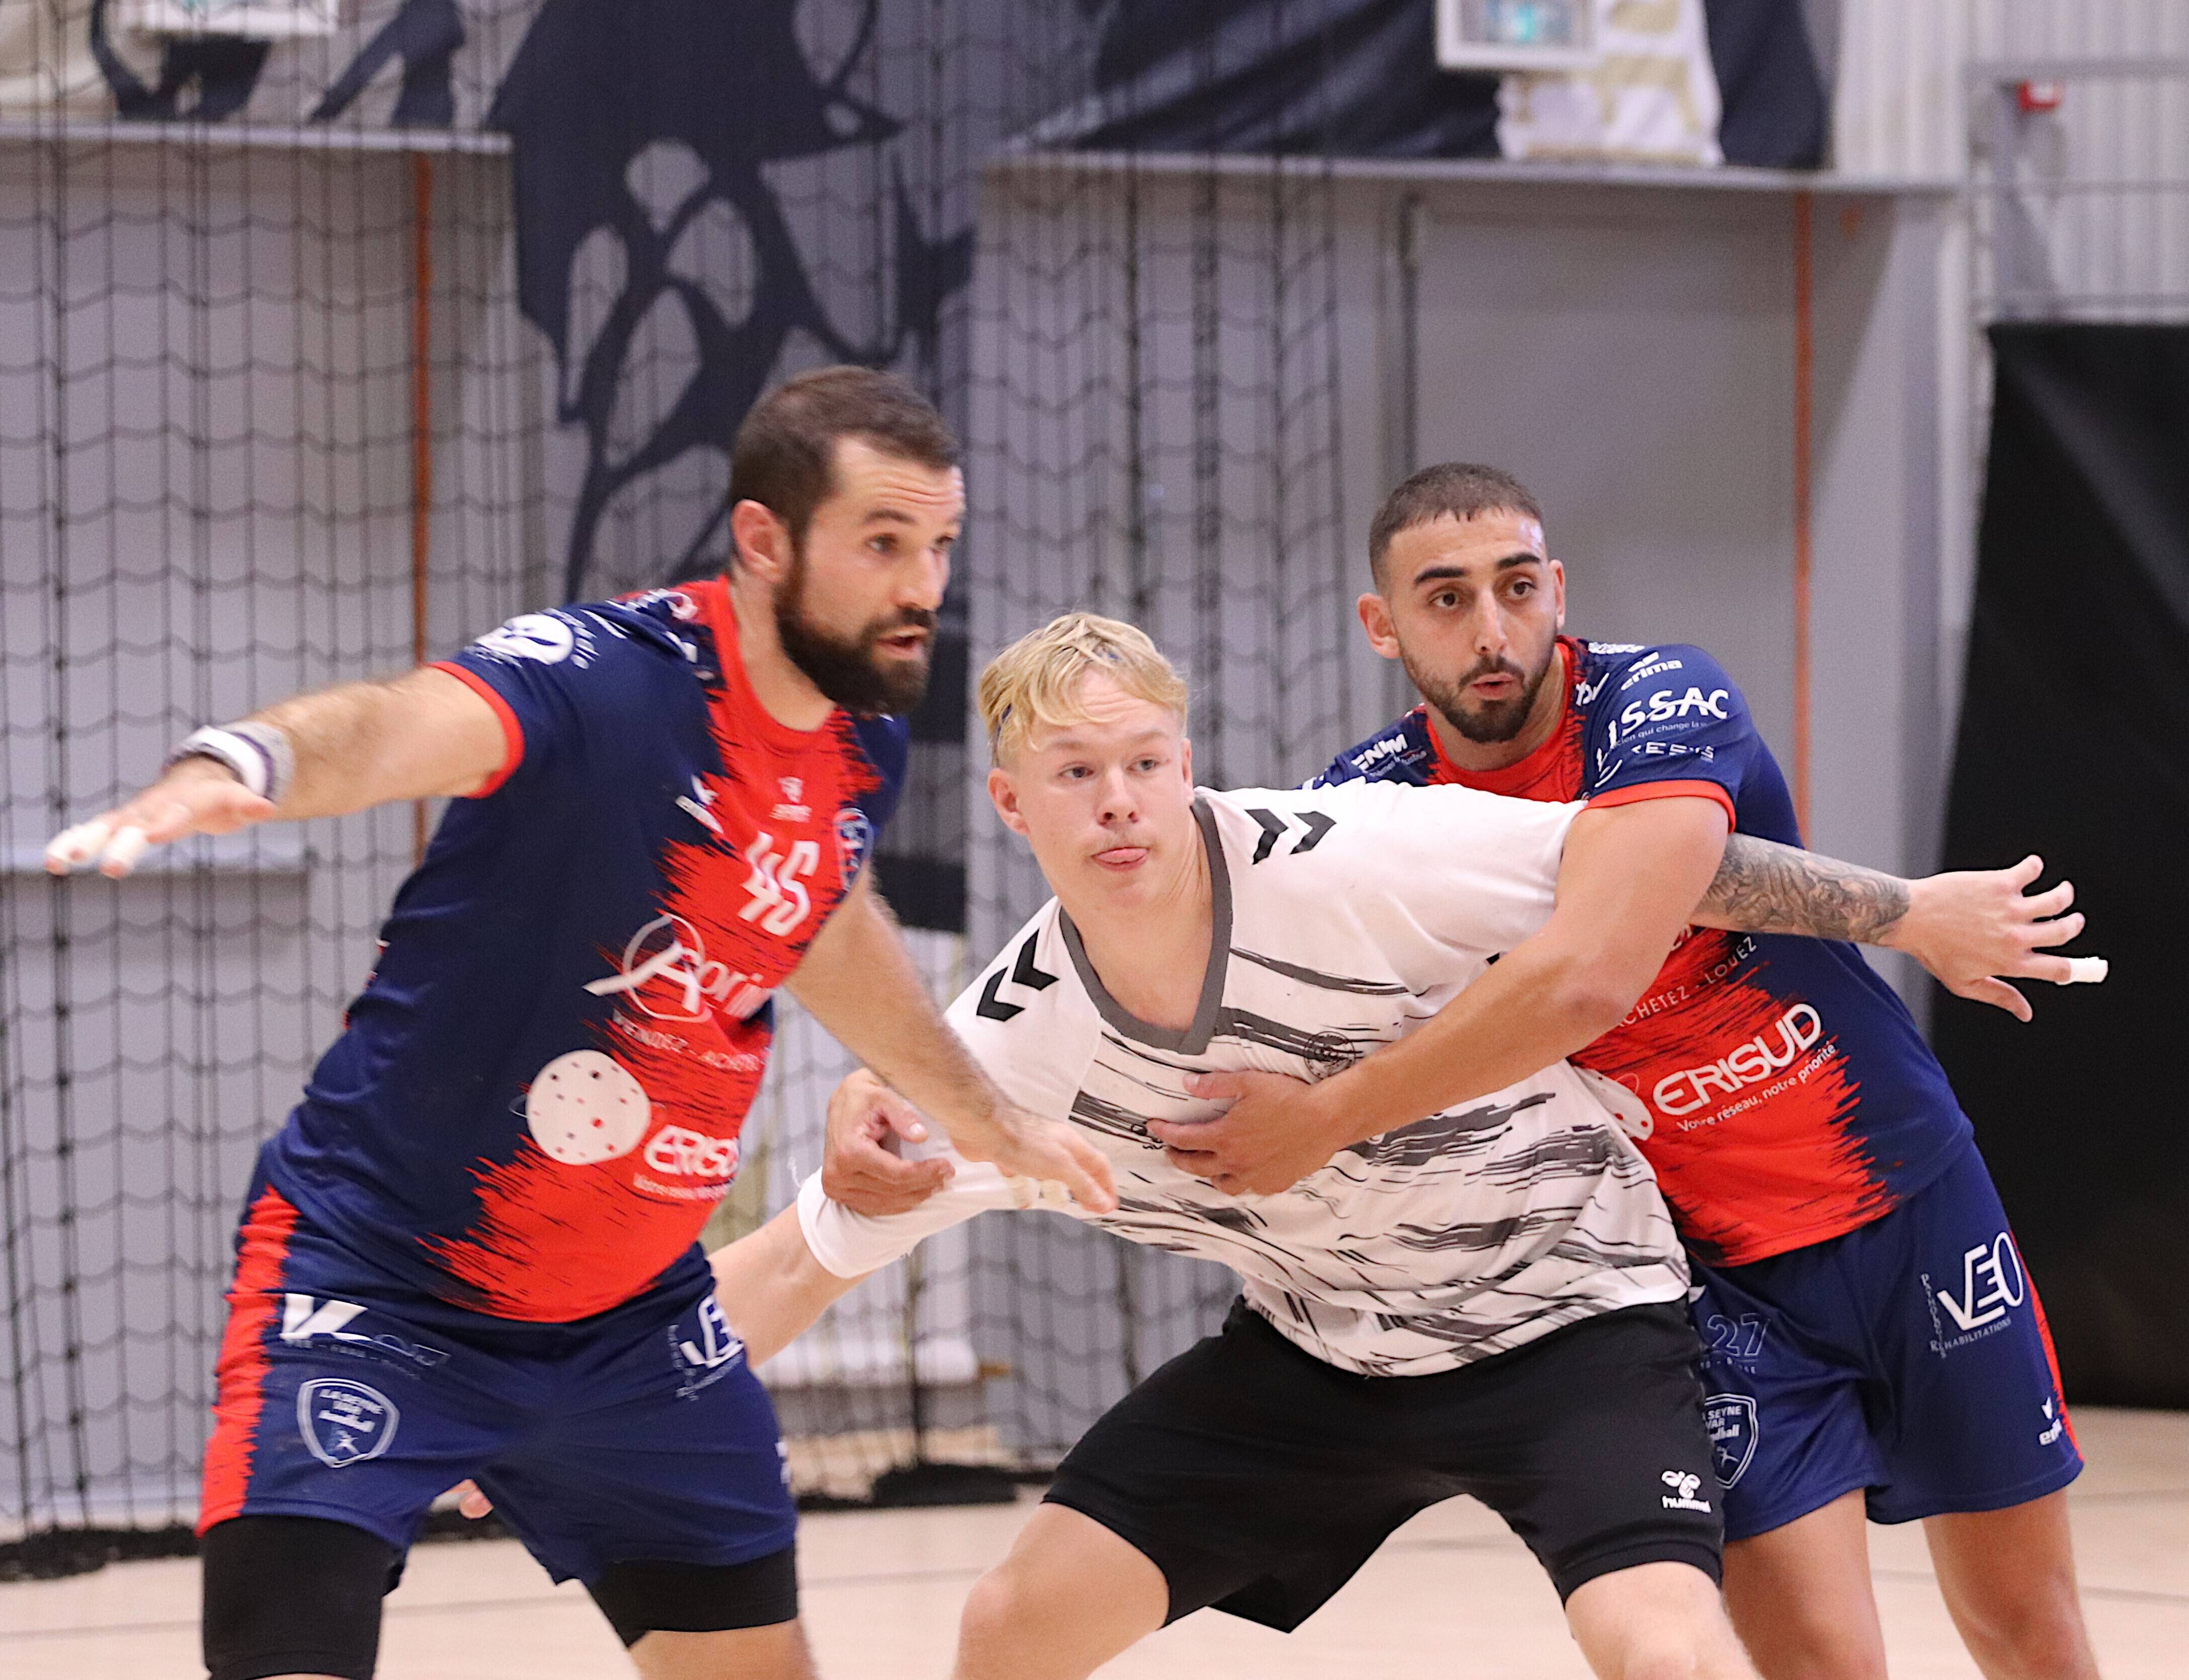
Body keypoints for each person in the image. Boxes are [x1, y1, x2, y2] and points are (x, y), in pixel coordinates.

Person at [42, 367, 1113, 1680]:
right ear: (765, 541)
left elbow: (820, 919)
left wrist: (987, 1117)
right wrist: (240, 766)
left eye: (940, 545)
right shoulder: (610, 683)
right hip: (381, 1283)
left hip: (634, 1323)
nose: (923, 586)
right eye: (884, 544)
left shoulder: (860, 743)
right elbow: (395, 727)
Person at [704, 610, 1966, 1680]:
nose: (1119, 802)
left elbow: (1642, 864)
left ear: (1186, 761)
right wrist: (562, 1401)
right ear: (1011, 802)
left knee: (1668, 1653)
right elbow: (797, 1258)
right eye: (1076, 773)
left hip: (1569, 1317)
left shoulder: (1354, 853)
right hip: (1322, 1356)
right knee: (1011, 1621)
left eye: (1144, 762)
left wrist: (1909, 911)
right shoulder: (1012, 1046)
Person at [1151, 463, 2099, 1680]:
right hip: (1698, 1276)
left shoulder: (1660, 695)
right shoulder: (1365, 807)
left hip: (1908, 1202)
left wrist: (1325, 1120)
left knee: (2034, 1632)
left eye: (1515, 586)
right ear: (1380, 624)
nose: (1492, 631)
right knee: (1818, 1663)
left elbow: (1597, 967)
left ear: (1558, 588)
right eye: (1444, 599)